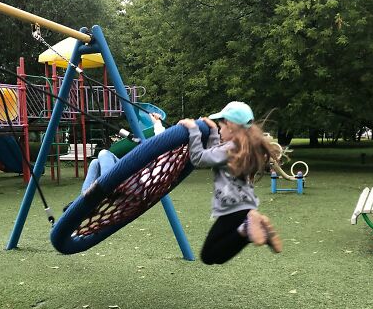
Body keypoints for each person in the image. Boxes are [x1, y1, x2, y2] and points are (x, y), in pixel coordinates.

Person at [178, 101, 282, 264]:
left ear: (231, 126)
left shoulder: (229, 149)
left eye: (221, 127)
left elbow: (199, 158)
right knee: (218, 251)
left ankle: (247, 229)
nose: (220, 130)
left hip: (232, 208)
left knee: (209, 256)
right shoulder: (240, 147)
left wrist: (193, 130)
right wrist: (213, 131)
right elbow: (214, 155)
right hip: (245, 206)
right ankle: (254, 229)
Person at [81, 112, 165, 194]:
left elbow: (162, 142)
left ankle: (106, 184)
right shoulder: (167, 155)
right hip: (132, 180)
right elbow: (161, 140)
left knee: (104, 153)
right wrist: (157, 122)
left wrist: (158, 122)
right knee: (95, 162)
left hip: (138, 185)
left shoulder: (166, 157)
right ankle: (83, 196)